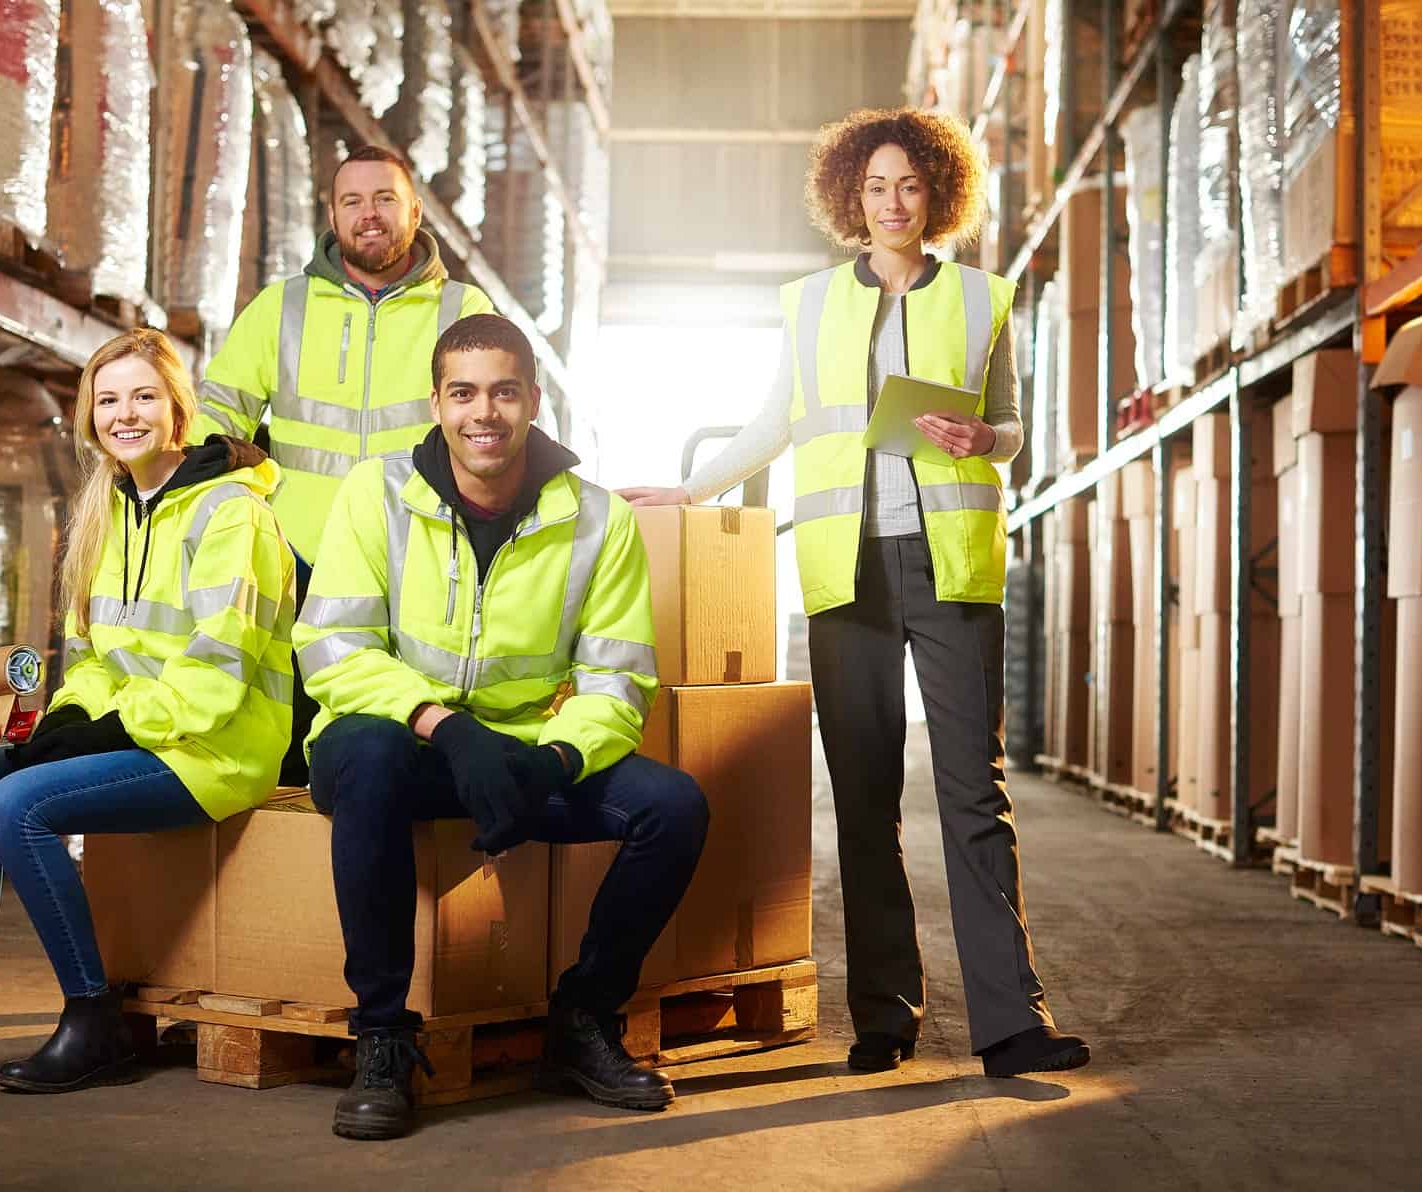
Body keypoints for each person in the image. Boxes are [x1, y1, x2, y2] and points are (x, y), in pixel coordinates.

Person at [620, 107, 1090, 1080]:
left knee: (972, 796)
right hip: (845, 575)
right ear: (850, 195)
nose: (892, 203)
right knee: (865, 800)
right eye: (875, 186)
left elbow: (1016, 432)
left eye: (909, 185)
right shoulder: (809, 305)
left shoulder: (980, 301)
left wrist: (983, 442)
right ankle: (884, 1014)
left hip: (953, 568)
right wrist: (690, 489)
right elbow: (770, 423)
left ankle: (1011, 1022)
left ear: (937, 195)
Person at [295, 314, 708, 1140]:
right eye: (463, 393)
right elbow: (333, 647)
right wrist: (442, 726)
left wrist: (555, 759)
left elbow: (617, 679)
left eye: (502, 392)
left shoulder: (597, 519)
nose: (483, 412)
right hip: (395, 744)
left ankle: (581, 1019)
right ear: (437, 403)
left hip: (522, 758)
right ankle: (381, 1036)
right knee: (371, 753)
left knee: (673, 805)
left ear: (532, 400)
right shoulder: (375, 494)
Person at [0, 329, 296, 1094]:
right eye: (108, 398)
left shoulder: (231, 515)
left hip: (216, 746)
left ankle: (94, 1019)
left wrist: (109, 730)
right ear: (91, 414)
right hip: (138, 732)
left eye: (143, 396)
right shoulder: (108, 509)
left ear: (178, 410)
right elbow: (91, 656)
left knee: (20, 804)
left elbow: (218, 672)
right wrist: (66, 721)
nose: (124, 414)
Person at [195, 145, 495, 785]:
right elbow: (213, 413)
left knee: (391, 736)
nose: (370, 214)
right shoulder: (284, 308)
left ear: (414, 210)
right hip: (297, 561)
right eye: (353, 201)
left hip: (416, 558)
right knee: (290, 739)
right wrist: (237, 494)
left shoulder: (462, 312)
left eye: (386, 199)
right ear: (332, 215)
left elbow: (498, 428)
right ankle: (285, 877)